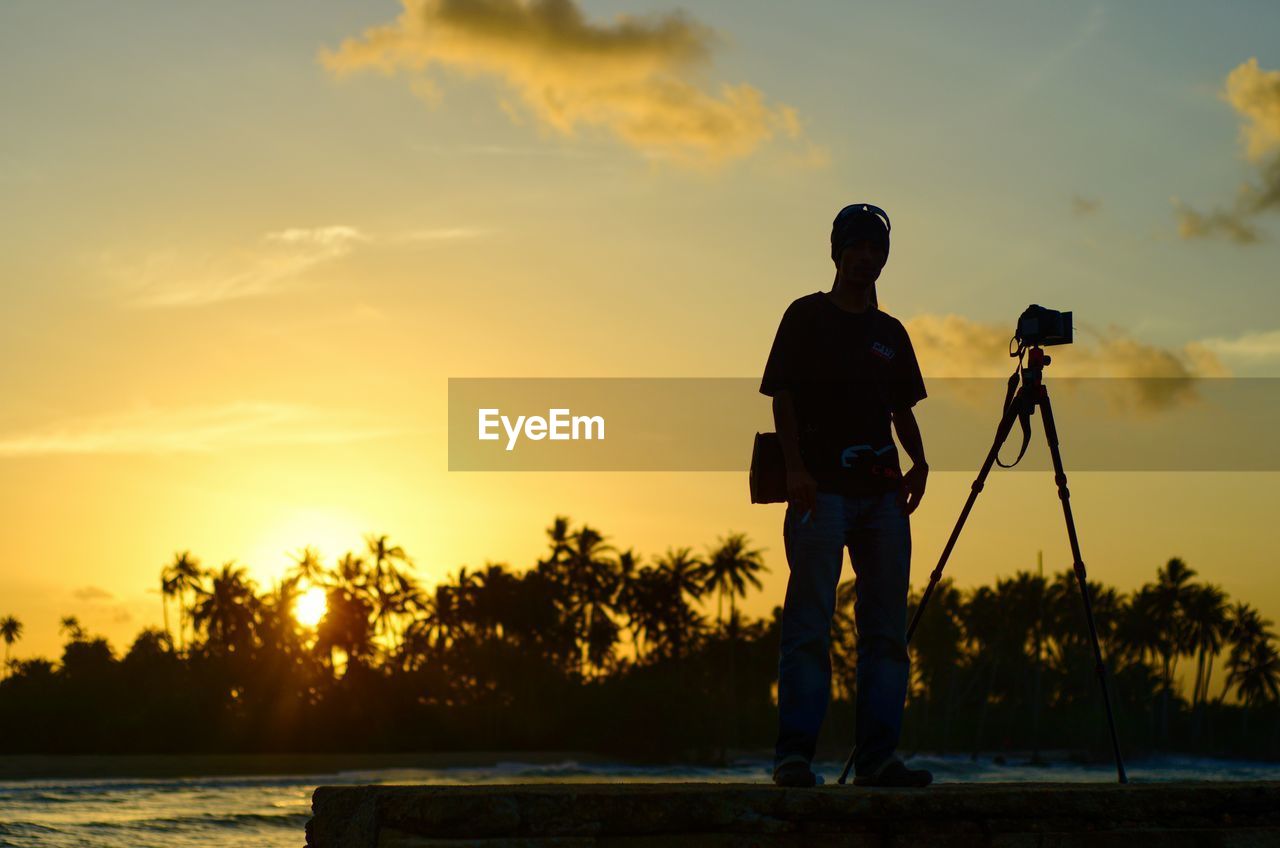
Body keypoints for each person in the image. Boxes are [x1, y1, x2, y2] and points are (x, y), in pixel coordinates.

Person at [760, 203, 933, 788]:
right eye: (855, 247)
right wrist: (795, 469)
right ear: (836, 252)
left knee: (885, 631)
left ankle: (878, 760)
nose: (865, 258)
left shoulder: (890, 334)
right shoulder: (805, 317)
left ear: (884, 258)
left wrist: (920, 462)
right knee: (810, 622)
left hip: (882, 495)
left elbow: (900, 407)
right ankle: (794, 758)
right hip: (819, 492)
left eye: (875, 250)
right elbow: (781, 396)